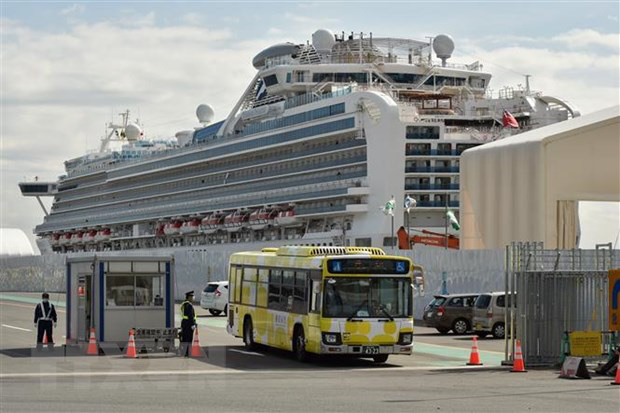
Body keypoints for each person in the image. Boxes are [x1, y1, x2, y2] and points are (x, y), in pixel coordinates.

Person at [179, 291, 197, 357]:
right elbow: (190, 316)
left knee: (185, 338)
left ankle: (185, 352)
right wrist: (193, 324)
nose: (193, 298)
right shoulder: (188, 305)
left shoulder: (184, 304)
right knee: (188, 338)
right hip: (188, 324)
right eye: (192, 297)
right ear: (189, 297)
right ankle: (187, 353)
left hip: (184, 323)